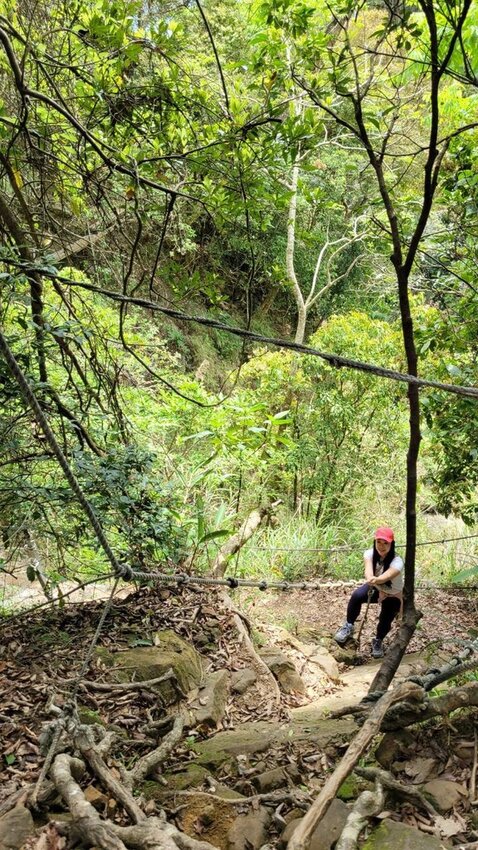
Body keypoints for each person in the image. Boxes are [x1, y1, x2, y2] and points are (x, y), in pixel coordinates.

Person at [333, 526, 404, 658]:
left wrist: (375, 579)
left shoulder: (397, 561)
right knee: (357, 596)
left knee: (385, 619)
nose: (381, 546)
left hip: (393, 594)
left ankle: (378, 640)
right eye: (379, 542)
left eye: (385, 543)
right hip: (376, 587)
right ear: (375, 542)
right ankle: (348, 625)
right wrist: (371, 578)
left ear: (391, 544)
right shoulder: (370, 554)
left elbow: (387, 576)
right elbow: (368, 570)